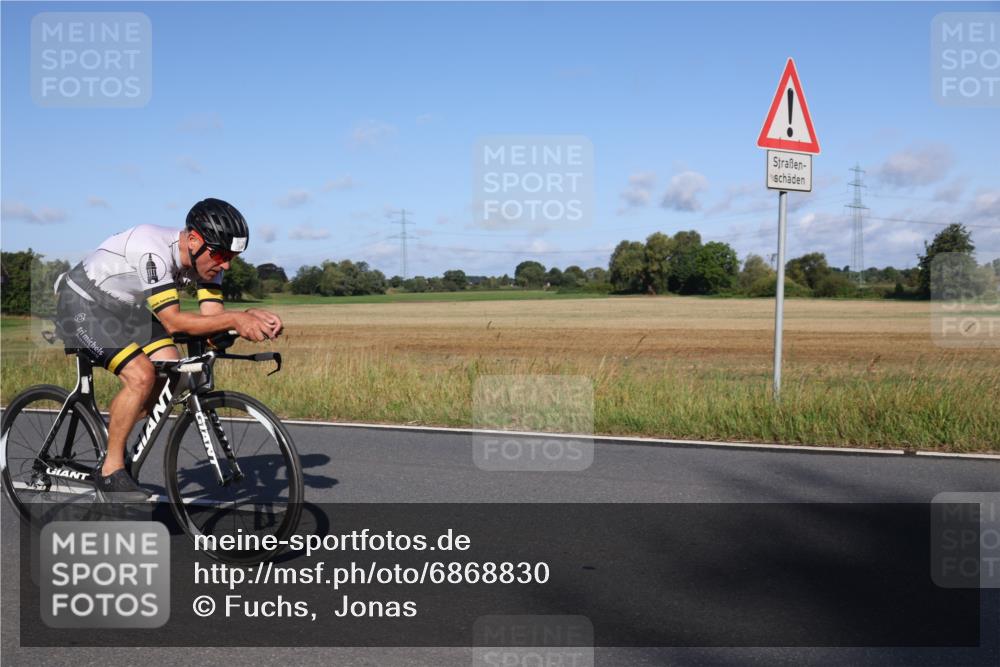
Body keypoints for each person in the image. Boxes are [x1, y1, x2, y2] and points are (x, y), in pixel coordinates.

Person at [54, 198, 282, 502]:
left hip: (126, 309)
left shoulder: (210, 261)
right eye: (221, 255)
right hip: (82, 303)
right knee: (141, 375)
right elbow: (173, 324)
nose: (225, 264)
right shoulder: (153, 250)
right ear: (193, 240)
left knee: (170, 370)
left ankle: (112, 432)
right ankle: (110, 470)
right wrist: (236, 319)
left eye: (232, 257)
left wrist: (249, 319)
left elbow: (213, 320)